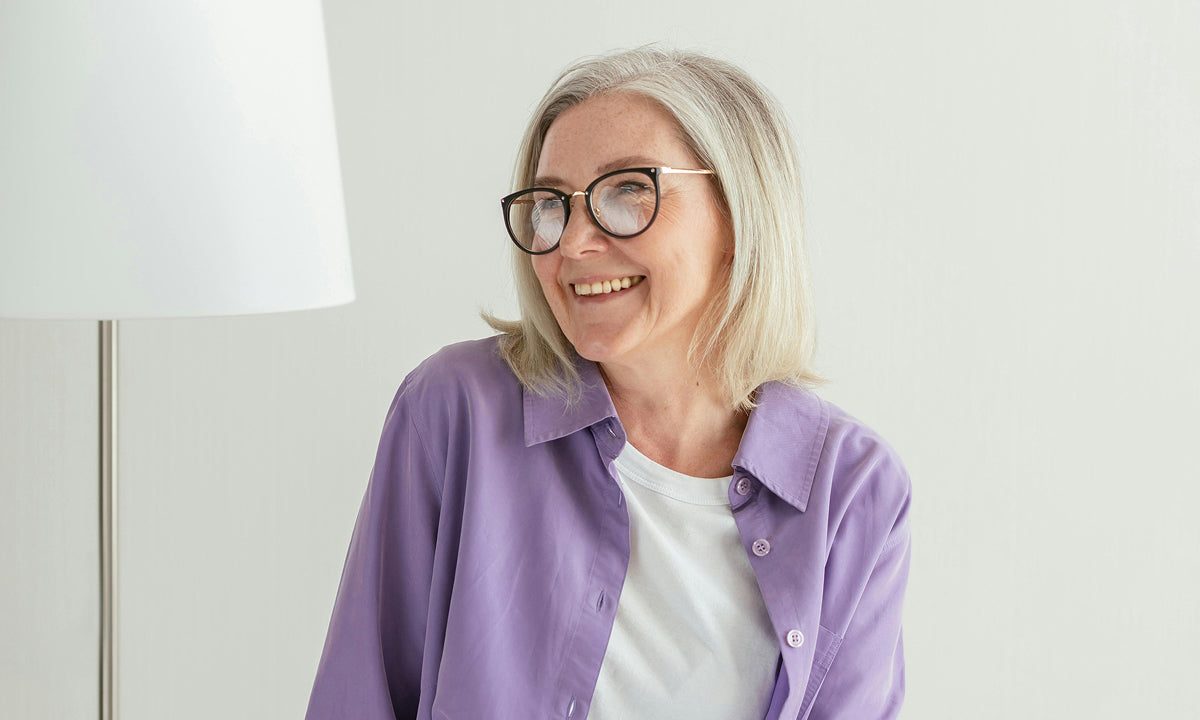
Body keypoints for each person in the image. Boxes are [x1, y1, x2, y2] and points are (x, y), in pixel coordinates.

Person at [305, 47, 912, 720]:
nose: (573, 243)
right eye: (551, 205)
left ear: (739, 216)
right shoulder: (455, 412)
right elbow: (357, 698)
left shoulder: (853, 487)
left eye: (629, 191)